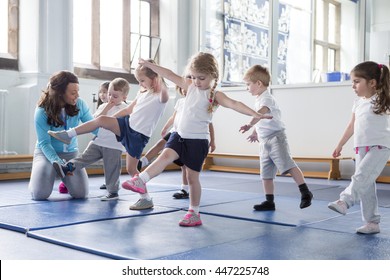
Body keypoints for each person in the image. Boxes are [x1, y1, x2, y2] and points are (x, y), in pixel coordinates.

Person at [121, 52, 272, 227]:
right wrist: (151, 66)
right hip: (179, 135)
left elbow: (235, 104)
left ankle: (194, 212)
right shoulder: (190, 86)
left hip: (197, 141)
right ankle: (141, 180)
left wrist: (255, 114)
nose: (196, 81)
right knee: (164, 156)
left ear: (213, 76)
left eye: (201, 78)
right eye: (193, 77)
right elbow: (169, 74)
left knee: (193, 179)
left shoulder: (215, 95)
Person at [48, 60, 169, 210]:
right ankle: (68, 135)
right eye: (138, 81)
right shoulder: (142, 92)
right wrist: (110, 121)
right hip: (127, 126)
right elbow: (128, 110)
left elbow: (163, 90)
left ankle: (146, 199)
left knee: (132, 169)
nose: (140, 84)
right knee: (101, 120)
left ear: (155, 78)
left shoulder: (160, 96)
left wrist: (157, 72)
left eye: (142, 80)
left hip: (138, 135)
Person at [239, 65, 313, 211]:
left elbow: (260, 114)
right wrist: (255, 132)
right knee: (265, 173)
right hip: (264, 141)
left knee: (288, 164)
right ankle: (269, 201)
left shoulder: (267, 98)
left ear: (258, 83)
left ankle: (305, 192)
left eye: (248, 84)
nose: (246, 88)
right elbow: (261, 119)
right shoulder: (259, 98)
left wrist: (249, 124)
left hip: (276, 138)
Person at [328, 61, 390, 234]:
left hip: (380, 147)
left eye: (356, 81)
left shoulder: (383, 99)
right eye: (352, 82)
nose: (353, 86)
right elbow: (351, 126)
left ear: (372, 82)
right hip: (361, 147)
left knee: (360, 177)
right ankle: (372, 223)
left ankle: (344, 201)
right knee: (366, 186)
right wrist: (340, 144)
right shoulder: (358, 103)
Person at [52, 78, 129, 201]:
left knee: (111, 168)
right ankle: (67, 167)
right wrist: (107, 107)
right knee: (84, 157)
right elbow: (95, 120)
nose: (111, 98)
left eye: (115, 96)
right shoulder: (103, 106)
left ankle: (113, 192)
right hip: (98, 141)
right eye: (109, 94)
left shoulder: (125, 109)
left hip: (113, 144)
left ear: (124, 97)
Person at [138, 80, 216, 199]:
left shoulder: (199, 103)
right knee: (160, 144)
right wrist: (165, 127)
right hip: (175, 132)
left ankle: (184, 189)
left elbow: (209, 124)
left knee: (185, 166)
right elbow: (173, 117)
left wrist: (213, 140)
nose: (185, 90)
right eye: (183, 88)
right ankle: (143, 161)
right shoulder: (180, 102)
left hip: (189, 136)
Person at [28, 70, 95, 200]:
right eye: (73, 93)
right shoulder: (42, 110)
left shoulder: (80, 104)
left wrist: (113, 136)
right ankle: (40, 176)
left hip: (71, 154)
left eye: (77, 91)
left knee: (81, 194)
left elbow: (93, 126)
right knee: (39, 195)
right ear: (60, 93)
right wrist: (58, 163)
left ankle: (65, 181)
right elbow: (44, 143)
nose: (77, 96)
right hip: (46, 154)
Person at [96, 81, 110, 190]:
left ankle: (110, 182)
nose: (102, 95)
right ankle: (107, 181)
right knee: (106, 162)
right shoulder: (102, 107)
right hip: (101, 138)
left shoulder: (120, 107)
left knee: (111, 163)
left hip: (112, 141)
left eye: (104, 92)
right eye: (100, 92)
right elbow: (95, 120)